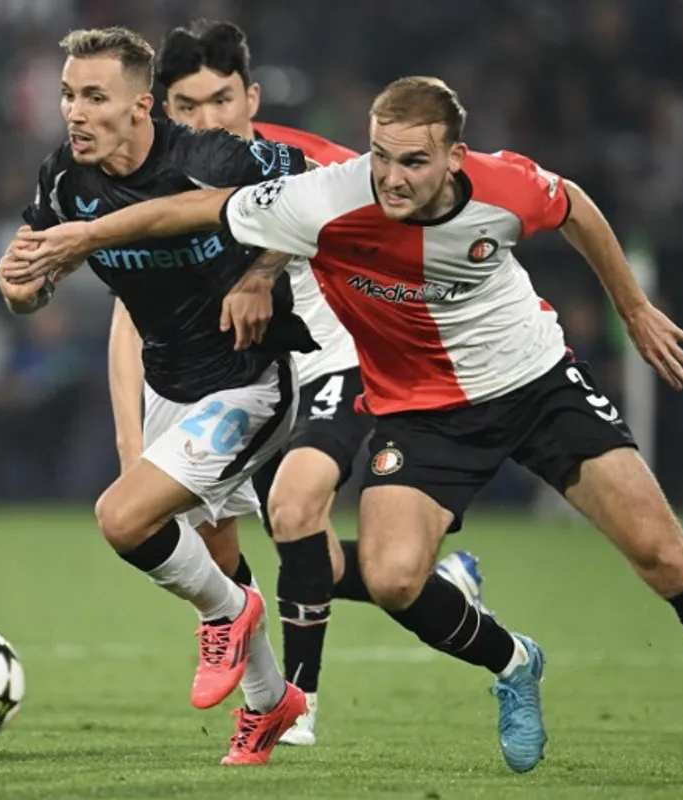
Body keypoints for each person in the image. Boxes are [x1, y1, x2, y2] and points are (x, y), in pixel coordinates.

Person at [3, 75, 683, 784]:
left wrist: (632, 307)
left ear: (455, 156)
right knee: (395, 577)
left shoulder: (507, 188)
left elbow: (579, 207)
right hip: (419, 411)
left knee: (666, 556)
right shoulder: (326, 200)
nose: (393, 177)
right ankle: (516, 662)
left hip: (535, 385)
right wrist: (81, 236)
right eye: (380, 155)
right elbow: (187, 213)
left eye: (413, 161)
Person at [121, 19, 488, 747]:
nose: (207, 120)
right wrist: (131, 437)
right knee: (259, 551)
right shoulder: (160, 180)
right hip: (249, 375)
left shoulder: (315, 163)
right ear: (166, 112)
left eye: (221, 100)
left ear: (251, 96)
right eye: (188, 107)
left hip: (338, 357)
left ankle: (298, 702)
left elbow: (408, 243)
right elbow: (129, 313)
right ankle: (444, 588)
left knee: (294, 509)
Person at [0, 26, 318, 766]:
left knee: (122, 518)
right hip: (170, 388)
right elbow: (30, 287)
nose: (75, 111)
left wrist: (260, 274)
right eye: (69, 95)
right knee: (213, 550)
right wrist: (18, 289)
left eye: (95, 97)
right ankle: (272, 704)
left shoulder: (204, 155)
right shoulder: (63, 182)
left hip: (250, 378)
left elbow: (304, 193)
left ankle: (231, 614)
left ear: (142, 106)